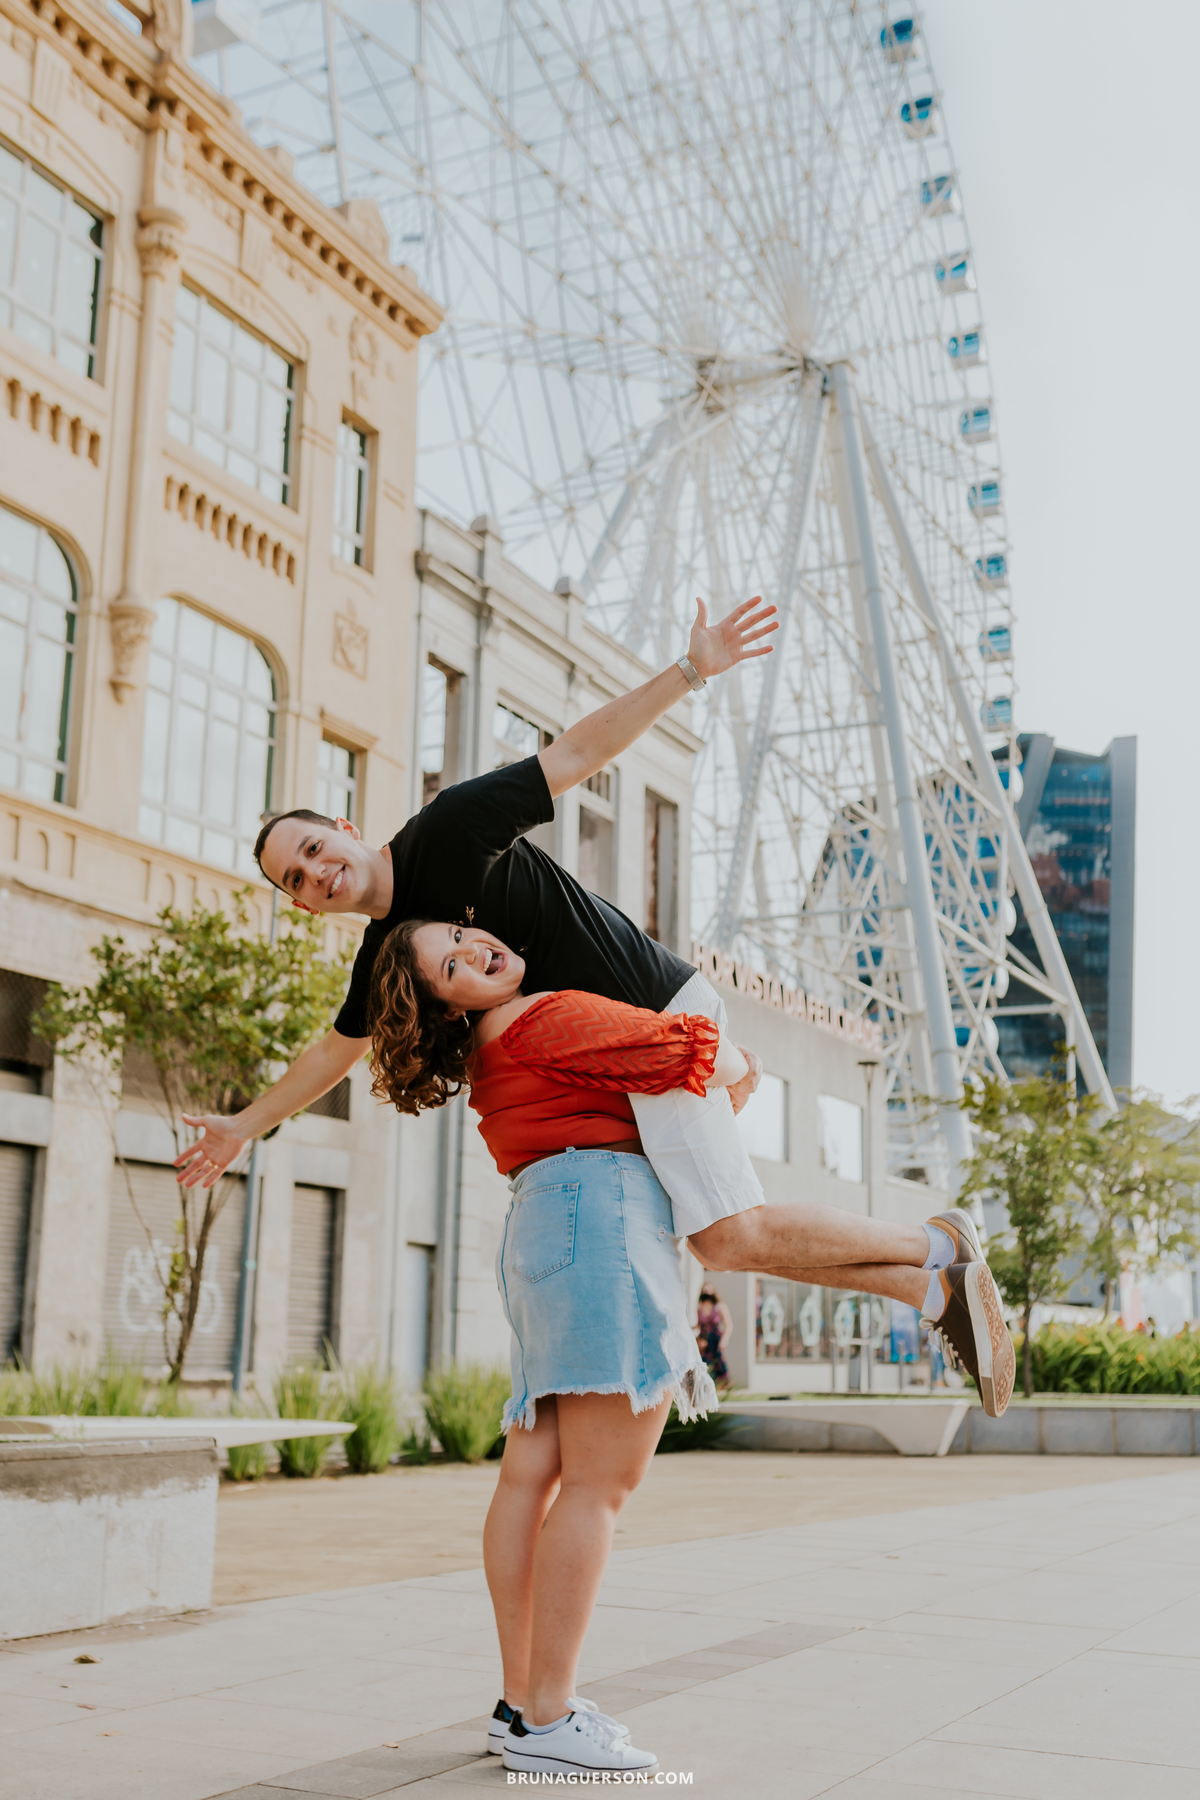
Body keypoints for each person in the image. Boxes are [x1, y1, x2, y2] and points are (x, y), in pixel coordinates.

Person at [174, 593, 1015, 1417]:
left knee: (730, 1234)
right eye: (298, 877)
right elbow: (336, 1050)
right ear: (304, 906)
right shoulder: (388, 957)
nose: (317, 871)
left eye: (315, 847)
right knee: (719, 1238)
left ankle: (940, 1245)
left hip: (656, 1016)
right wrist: (243, 1127)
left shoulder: (451, 826)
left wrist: (691, 668)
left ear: (347, 827)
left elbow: (574, 753)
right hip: (623, 1054)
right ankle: (935, 1291)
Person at [368, 919, 756, 1774]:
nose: (476, 952)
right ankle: (548, 1723)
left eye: (464, 936)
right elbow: (706, 1055)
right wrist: (739, 1072)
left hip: (544, 1223)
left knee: (531, 1474)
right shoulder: (546, 1013)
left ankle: (523, 1703)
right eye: (451, 966)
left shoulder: (487, 1053)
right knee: (599, 1484)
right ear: (445, 1004)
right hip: (605, 1221)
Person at [696, 1286, 731, 1387]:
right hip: (704, 1340)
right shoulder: (699, 1307)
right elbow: (699, 1325)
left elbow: (728, 1325)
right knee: (703, 1364)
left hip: (715, 1340)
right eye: (704, 1291)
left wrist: (724, 1340)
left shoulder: (719, 1305)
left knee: (719, 1364)